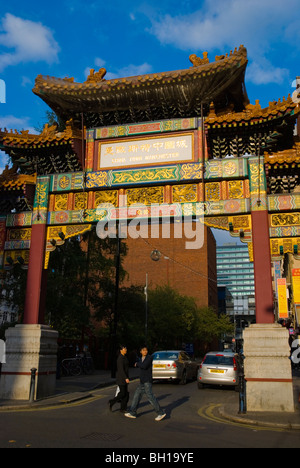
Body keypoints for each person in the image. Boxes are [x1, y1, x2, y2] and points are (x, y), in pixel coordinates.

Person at [125, 345, 166, 421]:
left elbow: (144, 366)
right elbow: (142, 365)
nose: (145, 351)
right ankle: (133, 412)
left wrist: (137, 364)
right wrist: (138, 363)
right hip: (142, 381)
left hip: (147, 381)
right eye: (143, 350)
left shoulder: (149, 358)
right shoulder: (141, 359)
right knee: (136, 396)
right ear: (140, 351)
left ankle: (160, 412)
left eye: (146, 350)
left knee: (150, 397)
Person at [108, 344, 130, 413]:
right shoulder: (120, 358)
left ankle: (123, 408)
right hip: (121, 378)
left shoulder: (125, 357)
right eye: (124, 348)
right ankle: (111, 402)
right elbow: (121, 370)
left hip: (124, 377)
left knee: (126, 394)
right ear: (121, 350)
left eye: (126, 348)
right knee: (122, 393)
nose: (126, 350)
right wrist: (126, 378)